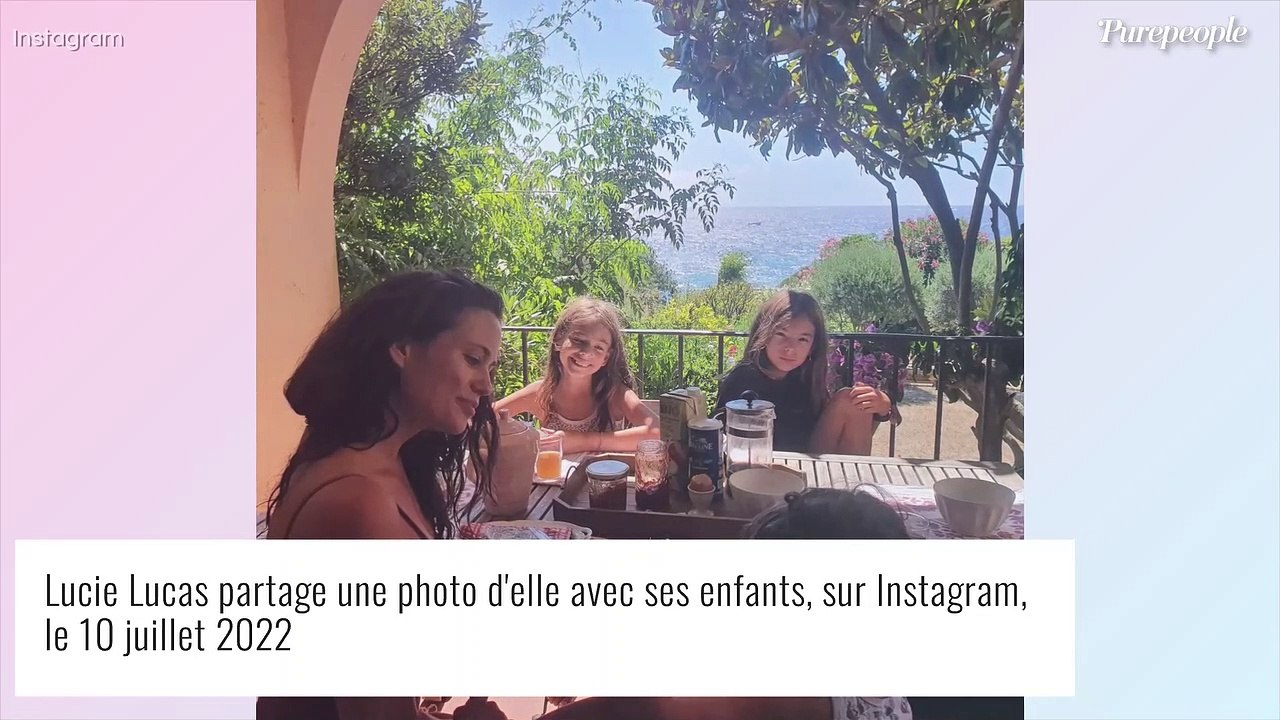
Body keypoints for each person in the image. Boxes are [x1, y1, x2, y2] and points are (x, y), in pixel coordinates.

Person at [258, 270, 505, 720]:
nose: (486, 386)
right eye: (473, 359)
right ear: (403, 349)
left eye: (490, 368)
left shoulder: (367, 461)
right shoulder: (358, 502)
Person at [714, 291, 895, 456]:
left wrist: (881, 409)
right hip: (761, 471)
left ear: (812, 346)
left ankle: (851, 488)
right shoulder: (743, 379)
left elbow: (847, 433)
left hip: (807, 467)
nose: (790, 348)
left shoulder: (805, 377)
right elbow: (719, 441)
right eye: (781, 334)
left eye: (802, 339)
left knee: (851, 400)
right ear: (764, 335)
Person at [495, 297, 658, 454]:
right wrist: (520, 435)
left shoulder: (614, 394)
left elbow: (657, 432)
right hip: (551, 482)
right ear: (558, 340)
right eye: (579, 340)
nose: (586, 352)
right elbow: (485, 417)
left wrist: (581, 441)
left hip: (604, 482)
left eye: (599, 348)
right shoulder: (541, 394)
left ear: (605, 358)